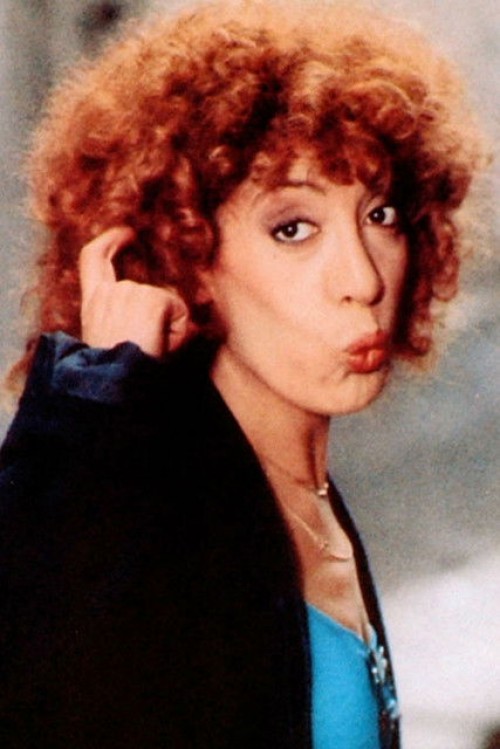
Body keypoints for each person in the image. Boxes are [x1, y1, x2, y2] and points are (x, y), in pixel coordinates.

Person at [0, 1, 484, 747]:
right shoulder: (158, 515)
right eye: (293, 228)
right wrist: (92, 399)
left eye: (380, 215)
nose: (362, 278)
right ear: (187, 254)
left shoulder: (308, 501)